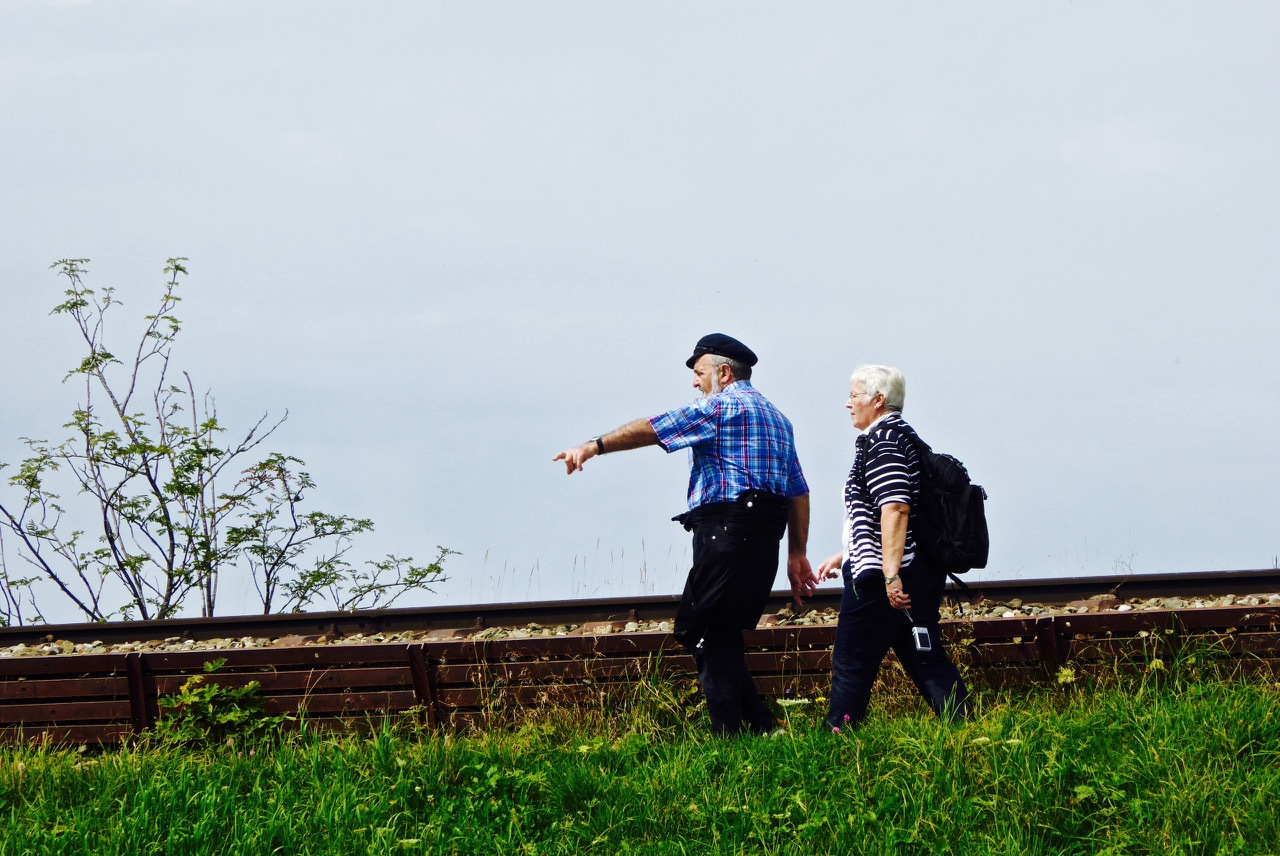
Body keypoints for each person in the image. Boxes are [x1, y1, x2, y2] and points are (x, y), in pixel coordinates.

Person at [554, 333, 817, 736]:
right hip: (766, 537)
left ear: (723, 373)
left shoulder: (720, 406)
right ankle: (763, 728)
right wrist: (797, 554)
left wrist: (594, 446)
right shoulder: (779, 418)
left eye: (699, 374)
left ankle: (730, 738)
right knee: (722, 630)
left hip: (726, 529)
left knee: (701, 628)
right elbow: (798, 490)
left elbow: (655, 427)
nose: (695, 383)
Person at [819, 364, 971, 731]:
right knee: (925, 656)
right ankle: (964, 728)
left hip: (884, 574)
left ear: (878, 399)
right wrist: (845, 553)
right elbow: (882, 515)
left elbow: (896, 507)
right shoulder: (904, 437)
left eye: (854, 395)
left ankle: (837, 736)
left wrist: (890, 576)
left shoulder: (883, 440)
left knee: (852, 659)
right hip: (913, 566)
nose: (848, 404)